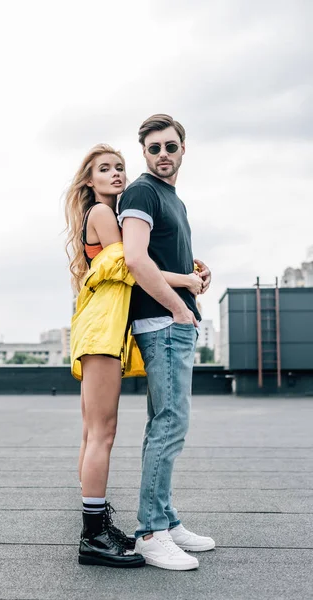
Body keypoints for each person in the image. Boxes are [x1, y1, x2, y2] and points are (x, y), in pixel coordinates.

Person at [64, 143, 203, 568]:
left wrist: (186, 270)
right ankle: (93, 536)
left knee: (94, 433)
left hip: (98, 330)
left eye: (119, 167)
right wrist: (187, 280)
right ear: (89, 181)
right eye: (104, 169)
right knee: (102, 433)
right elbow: (134, 265)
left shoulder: (103, 215)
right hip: (103, 333)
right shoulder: (103, 215)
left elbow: (136, 260)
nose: (117, 174)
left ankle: (97, 524)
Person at [118, 114, 215, 571]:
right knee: (170, 425)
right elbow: (136, 259)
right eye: (153, 147)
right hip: (163, 324)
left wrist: (194, 273)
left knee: (164, 424)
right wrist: (178, 309)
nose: (162, 154)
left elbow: (159, 256)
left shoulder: (171, 199)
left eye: (169, 146)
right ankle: (151, 532)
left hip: (172, 321)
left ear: (182, 149)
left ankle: (167, 521)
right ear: (144, 153)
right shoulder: (140, 192)